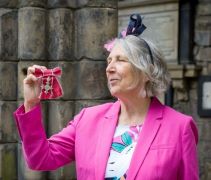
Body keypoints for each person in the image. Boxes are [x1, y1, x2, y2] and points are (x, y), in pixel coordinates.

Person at [13, 14, 199, 180]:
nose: (109, 68)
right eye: (109, 61)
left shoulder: (179, 127)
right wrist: (31, 103)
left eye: (120, 60)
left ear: (147, 72)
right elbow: (40, 159)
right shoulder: (87, 119)